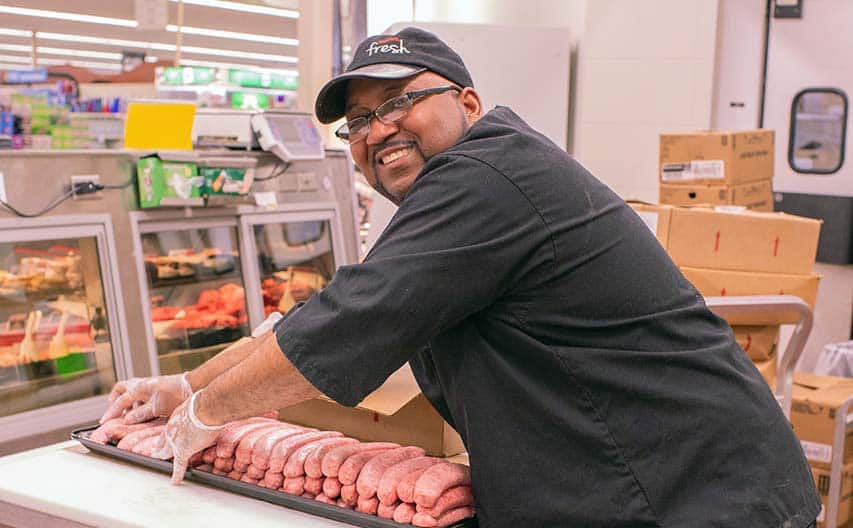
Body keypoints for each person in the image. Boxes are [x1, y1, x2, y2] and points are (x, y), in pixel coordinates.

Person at [103, 27, 820, 527]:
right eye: (355, 123)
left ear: (468, 105)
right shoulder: (466, 192)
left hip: (686, 497)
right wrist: (185, 387)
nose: (376, 130)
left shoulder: (488, 176)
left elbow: (344, 325)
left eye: (397, 101)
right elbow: (329, 312)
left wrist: (203, 417)